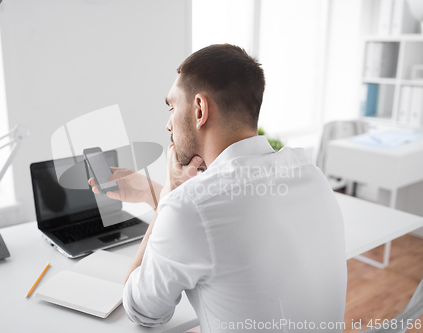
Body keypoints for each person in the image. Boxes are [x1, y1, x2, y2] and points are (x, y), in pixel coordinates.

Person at [89, 44, 347, 332]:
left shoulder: (188, 208)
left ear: (200, 109)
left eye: (172, 107)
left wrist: (167, 198)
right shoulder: (310, 174)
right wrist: (162, 194)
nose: (168, 125)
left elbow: (142, 310)